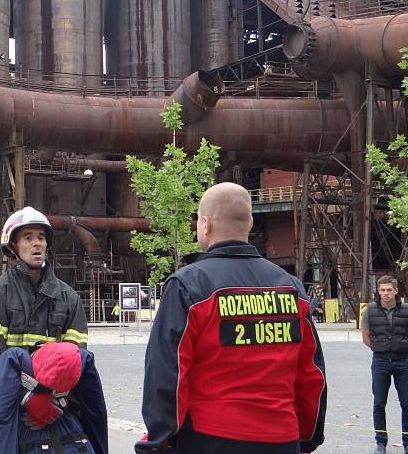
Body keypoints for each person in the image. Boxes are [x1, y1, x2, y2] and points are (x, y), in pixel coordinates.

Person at [137, 182, 327, 454]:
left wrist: (159, 440)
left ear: (205, 224)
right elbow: (311, 373)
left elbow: (167, 372)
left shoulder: (188, 286)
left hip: (210, 437)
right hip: (282, 437)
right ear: (249, 223)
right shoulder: (291, 288)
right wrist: (307, 437)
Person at [0, 206, 89, 448]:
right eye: (28, 237)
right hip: (9, 411)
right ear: (13, 246)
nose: (37, 244)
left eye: (41, 237)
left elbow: (76, 361)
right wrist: (28, 397)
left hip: (56, 414)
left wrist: (53, 400)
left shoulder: (68, 298)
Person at [0, 342, 108, 454]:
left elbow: (1, 422)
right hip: (66, 433)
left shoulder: (13, 360)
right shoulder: (81, 359)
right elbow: (96, 414)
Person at [360, 275, 408, 454]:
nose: (386, 293)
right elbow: (366, 337)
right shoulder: (369, 311)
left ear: (395, 291)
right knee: (379, 403)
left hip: (403, 362)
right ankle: (380, 443)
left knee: (407, 404)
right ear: (378, 291)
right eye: (383, 290)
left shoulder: (407, 310)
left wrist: (400, 349)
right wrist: (381, 348)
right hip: (380, 362)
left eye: (389, 290)